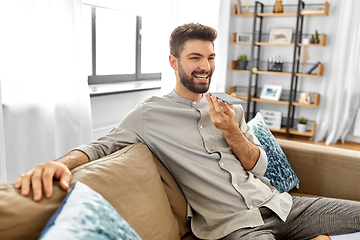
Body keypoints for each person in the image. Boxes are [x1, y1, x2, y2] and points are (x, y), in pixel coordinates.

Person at [15, 23, 359, 240]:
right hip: (237, 226)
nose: (206, 67)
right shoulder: (149, 115)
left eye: (210, 57)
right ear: (173, 61)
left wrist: (232, 131)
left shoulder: (230, 108)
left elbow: (259, 166)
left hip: (282, 206)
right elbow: (100, 146)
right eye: (195, 57)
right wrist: (59, 162)